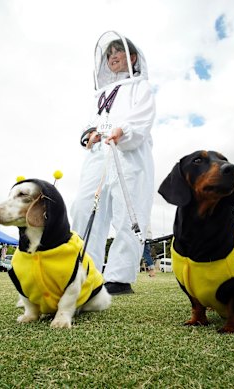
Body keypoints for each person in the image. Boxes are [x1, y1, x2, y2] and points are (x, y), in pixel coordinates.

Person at [71, 31, 155, 295]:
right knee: (85, 206)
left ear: (131, 57)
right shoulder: (100, 95)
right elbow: (89, 124)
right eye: (109, 54)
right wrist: (91, 134)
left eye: (118, 51)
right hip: (98, 153)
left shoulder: (140, 86)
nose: (113, 56)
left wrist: (124, 132)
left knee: (127, 211)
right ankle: (86, 271)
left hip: (128, 154)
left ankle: (118, 276)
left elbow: (142, 120)